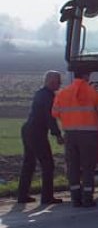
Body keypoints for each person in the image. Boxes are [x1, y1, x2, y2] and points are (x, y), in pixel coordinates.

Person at [51, 70, 98, 208]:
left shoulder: (62, 93)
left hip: (70, 134)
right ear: (86, 76)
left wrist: (68, 120)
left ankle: (75, 199)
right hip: (88, 135)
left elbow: (55, 112)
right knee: (88, 167)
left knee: (73, 167)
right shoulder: (92, 91)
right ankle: (87, 199)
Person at [16, 70, 64, 206]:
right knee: (48, 164)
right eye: (58, 81)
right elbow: (50, 117)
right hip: (37, 132)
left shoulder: (40, 93)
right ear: (51, 82)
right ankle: (47, 197)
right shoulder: (48, 96)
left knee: (29, 163)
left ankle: (22, 195)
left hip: (27, 129)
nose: (60, 84)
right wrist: (58, 135)